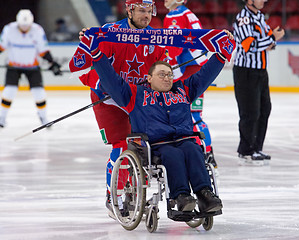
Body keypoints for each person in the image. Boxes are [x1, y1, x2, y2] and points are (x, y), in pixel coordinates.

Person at [87, 28, 233, 212]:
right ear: (149, 78)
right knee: (173, 155)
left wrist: (222, 53)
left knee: (194, 150)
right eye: (162, 74)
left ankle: (205, 194)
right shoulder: (135, 94)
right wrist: (96, 54)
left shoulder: (184, 90)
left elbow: (206, 74)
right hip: (158, 143)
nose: (167, 78)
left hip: (184, 138)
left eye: (170, 74)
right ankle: (181, 196)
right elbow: (111, 79)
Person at [72, 0, 169, 215]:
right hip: (109, 99)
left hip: (139, 98)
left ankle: (138, 191)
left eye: (150, 11)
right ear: (129, 10)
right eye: (142, 10)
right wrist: (89, 41)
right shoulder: (111, 33)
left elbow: (164, 67)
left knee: (146, 146)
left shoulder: (156, 37)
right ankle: (113, 194)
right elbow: (89, 63)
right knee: (122, 145)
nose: (147, 15)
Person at [163, 0, 217, 168]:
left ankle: (195, 153)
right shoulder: (188, 13)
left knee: (185, 115)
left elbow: (174, 45)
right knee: (196, 115)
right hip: (197, 71)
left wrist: (169, 71)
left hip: (186, 72)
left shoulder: (175, 15)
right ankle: (208, 153)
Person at [232, 0, 285, 165]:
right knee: (250, 112)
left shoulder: (260, 16)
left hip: (261, 70)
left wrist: (270, 40)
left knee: (264, 109)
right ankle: (246, 150)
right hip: (246, 70)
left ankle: (256, 147)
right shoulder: (243, 18)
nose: (264, 0)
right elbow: (249, 46)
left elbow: (265, 43)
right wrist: (271, 38)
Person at [0, 9, 62, 128]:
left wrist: (52, 63)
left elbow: (43, 50)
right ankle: (2, 118)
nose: (24, 28)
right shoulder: (9, 29)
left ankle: (43, 117)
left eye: (27, 25)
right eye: (22, 25)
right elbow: (1, 47)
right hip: (14, 66)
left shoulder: (37, 30)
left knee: (39, 94)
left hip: (32, 67)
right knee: (9, 92)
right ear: (18, 23)